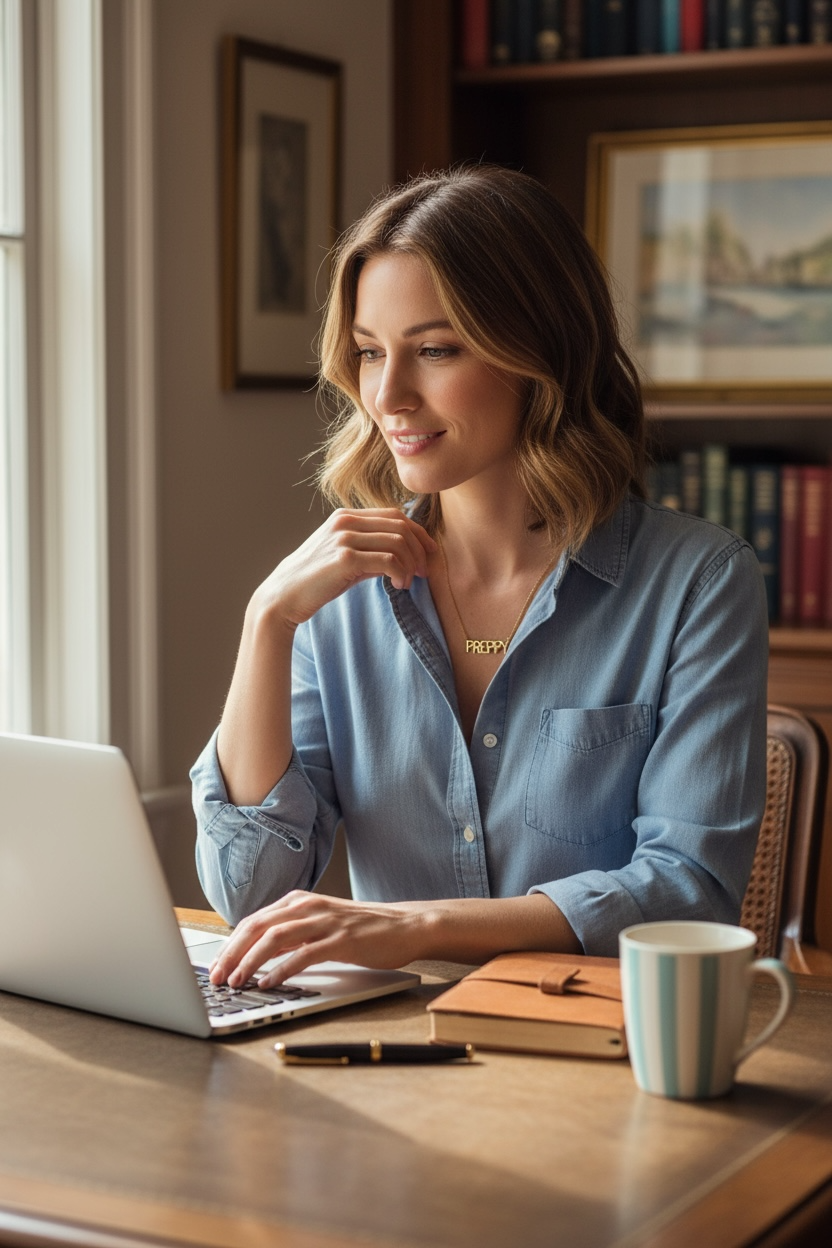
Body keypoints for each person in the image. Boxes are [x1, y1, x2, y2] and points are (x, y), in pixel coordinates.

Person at [192, 165, 768, 991]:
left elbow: (689, 892)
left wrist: (412, 925)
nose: (387, 394)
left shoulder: (700, 584)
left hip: (595, 1059)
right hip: (385, 1058)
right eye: (366, 352)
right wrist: (266, 623)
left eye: (434, 349)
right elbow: (246, 892)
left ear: (539, 351)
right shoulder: (335, 598)